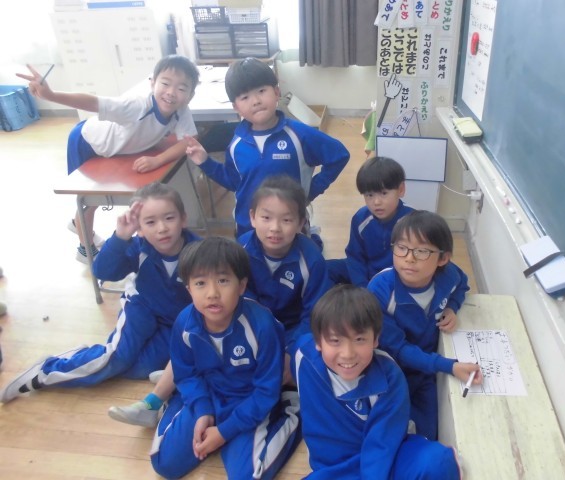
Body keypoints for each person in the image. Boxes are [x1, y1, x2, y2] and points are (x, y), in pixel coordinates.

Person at [108, 175, 330, 426]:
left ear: (301, 223)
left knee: (305, 363)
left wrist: (290, 349)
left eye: (286, 220)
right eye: (266, 218)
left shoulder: (311, 259)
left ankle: (190, 379)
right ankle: (154, 400)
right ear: (252, 217)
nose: (275, 228)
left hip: (289, 332)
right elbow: (234, 297)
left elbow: (315, 315)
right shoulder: (241, 249)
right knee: (200, 331)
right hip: (247, 323)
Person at [0, 183, 200, 403]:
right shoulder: (138, 246)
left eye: (169, 218)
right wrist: (120, 237)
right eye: (150, 222)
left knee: (140, 369)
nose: (162, 228)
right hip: (141, 308)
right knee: (116, 358)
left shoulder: (199, 252)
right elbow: (103, 271)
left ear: (183, 219)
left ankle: (83, 357)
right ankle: (46, 371)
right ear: (140, 229)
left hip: (173, 321)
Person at [16, 55, 199, 263]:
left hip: (119, 151)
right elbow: (94, 103)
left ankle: (78, 224)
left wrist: (158, 160)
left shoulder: (181, 110)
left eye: (181, 88)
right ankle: (85, 248)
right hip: (88, 142)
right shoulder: (137, 105)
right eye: (165, 83)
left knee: (94, 200)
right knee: (88, 200)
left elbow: (189, 141)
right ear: (152, 83)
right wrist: (51, 95)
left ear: (190, 95)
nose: (171, 92)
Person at [150, 237, 301, 479]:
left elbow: (266, 391)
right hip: (209, 394)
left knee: (249, 476)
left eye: (223, 281)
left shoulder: (262, 326)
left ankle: (290, 413)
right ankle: (182, 407)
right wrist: (202, 410)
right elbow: (186, 374)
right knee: (163, 463)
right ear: (189, 289)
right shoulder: (184, 323)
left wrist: (224, 432)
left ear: (241, 286)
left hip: (249, 401)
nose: (212, 293)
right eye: (200, 283)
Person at [292, 284, 462, 479]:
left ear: (375, 340)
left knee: (437, 462)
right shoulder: (303, 356)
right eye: (335, 341)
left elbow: (382, 445)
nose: (347, 354)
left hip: (387, 458)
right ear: (318, 342)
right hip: (334, 469)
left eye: (359, 340)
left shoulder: (389, 378)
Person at [185, 57, 350, 238]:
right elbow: (235, 182)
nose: (255, 101)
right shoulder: (236, 144)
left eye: (261, 91)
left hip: (288, 228)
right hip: (248, 228)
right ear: (236, 107)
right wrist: (205, 162)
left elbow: (339, 155)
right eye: (245, 97)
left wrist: (310, 191)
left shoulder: (298, 134)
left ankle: (313, 240)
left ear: (277, 92)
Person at [367, 210, 482, 440]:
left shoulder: (448, 275)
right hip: (390, 368)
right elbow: (398, 349)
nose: (409, 258)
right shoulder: (380, 290)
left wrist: (452, 307)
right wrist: (448, 366)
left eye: (421, 251)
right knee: (388, 430)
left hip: (426, 368)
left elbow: (462, 285)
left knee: (431, 431)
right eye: (402, 248)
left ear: (443, 258)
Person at [327, 156, 414, 287]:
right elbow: (355, 257)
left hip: (395, 278)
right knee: (324, 268)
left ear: (401, 190)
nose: (376, 202)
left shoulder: (413, 222)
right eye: (369, 195)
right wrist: (362, 287)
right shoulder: (361, 218)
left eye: (384, 193)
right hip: (367, 272)